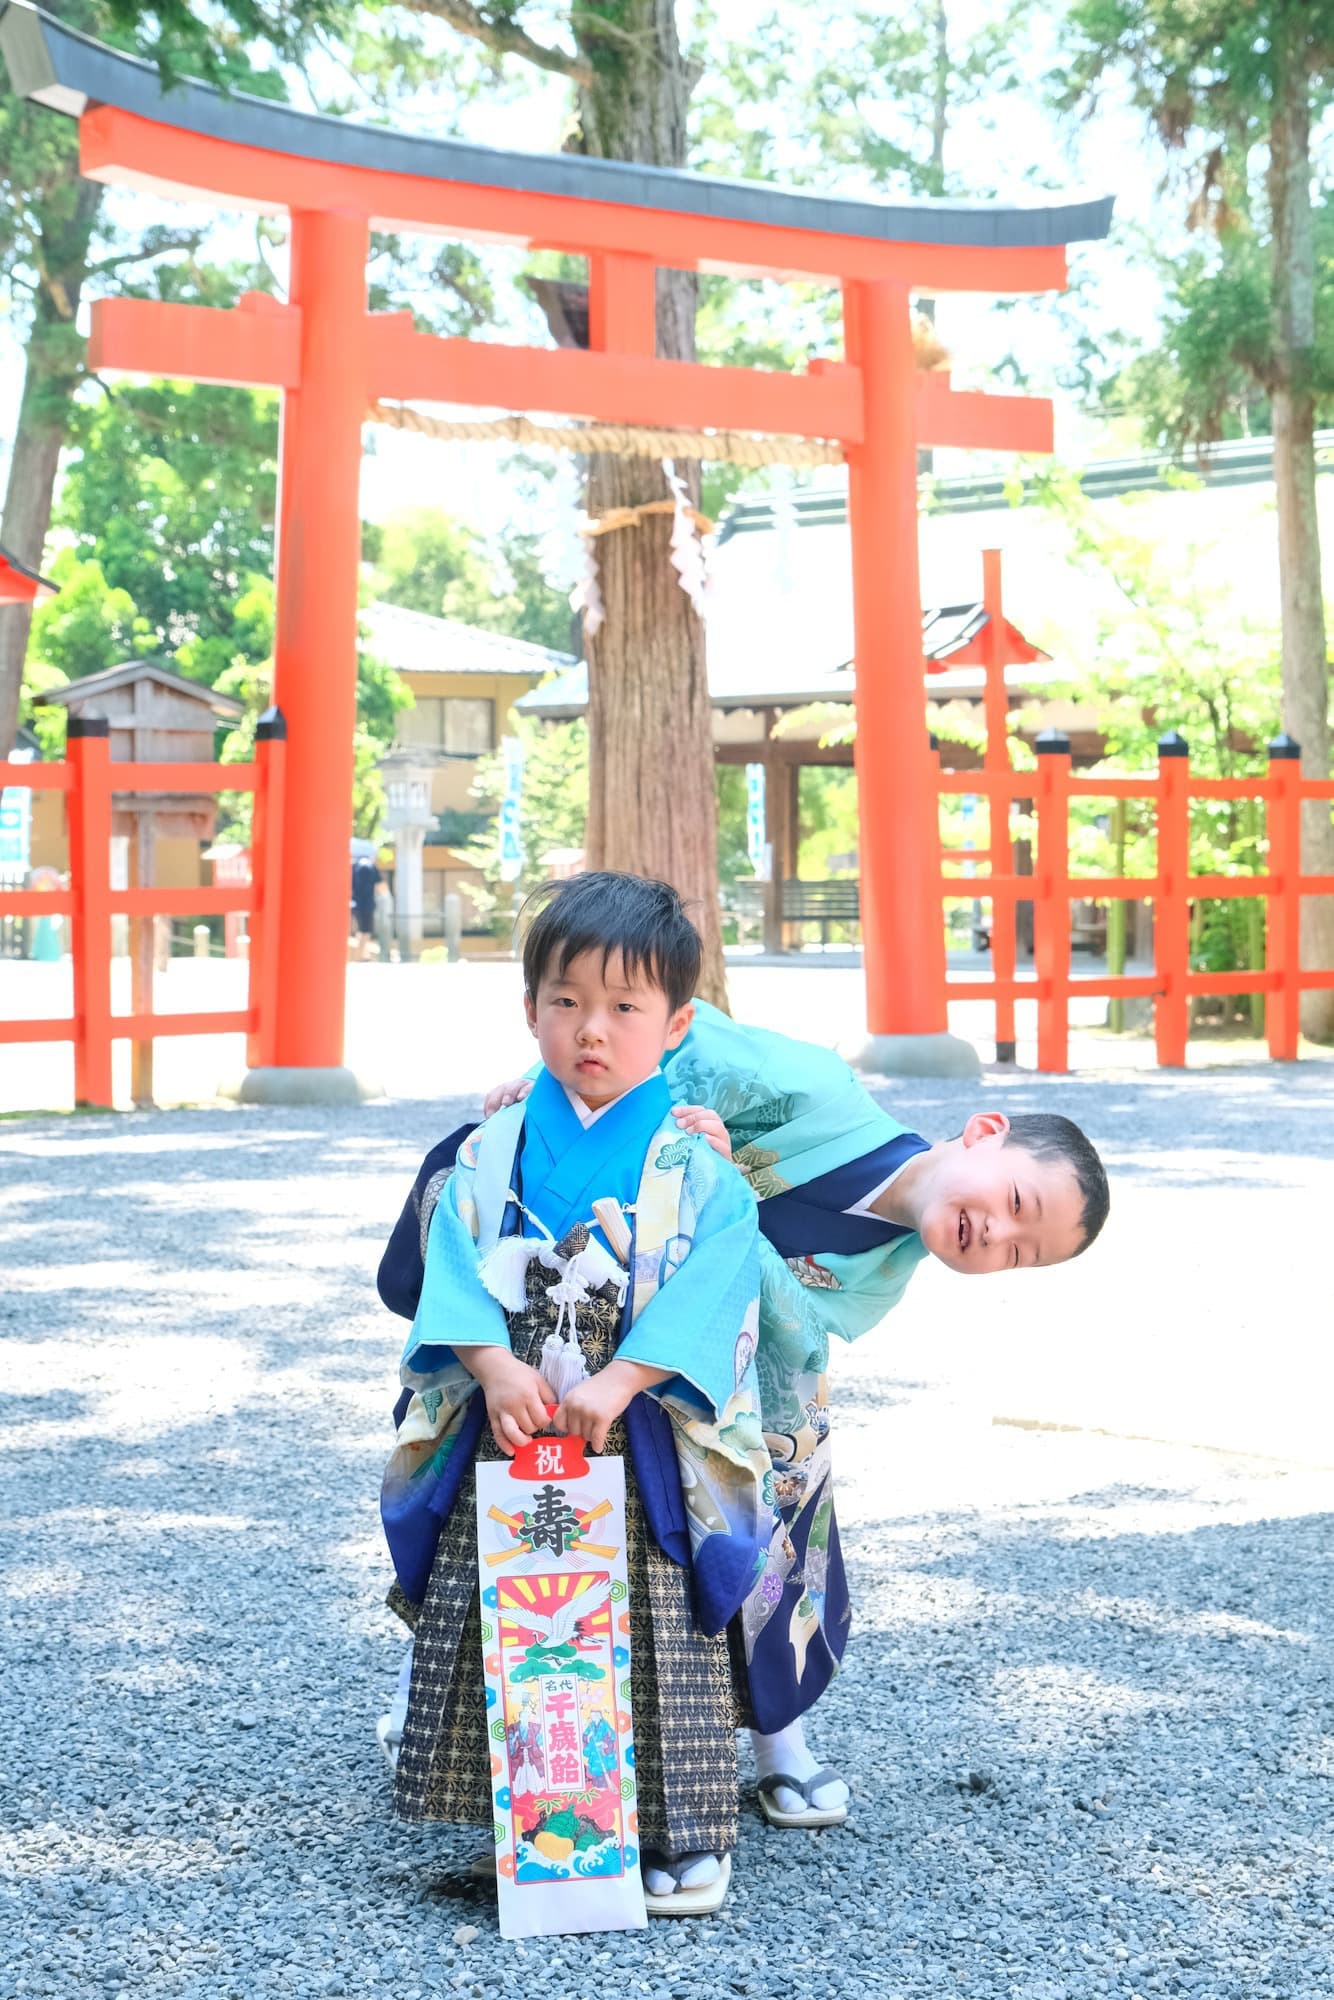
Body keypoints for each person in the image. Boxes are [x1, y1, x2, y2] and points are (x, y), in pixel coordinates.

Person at [379, 993, 1110, 1834]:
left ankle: (776, 1732)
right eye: (1015, 1203)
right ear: (985, 1131)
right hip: (563, 1268)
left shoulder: (881, 1277)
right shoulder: (811, 1088)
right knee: (472, 1467)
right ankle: (422, 1696)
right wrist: (553, 1092)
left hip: (676, 1364)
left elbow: (783, 1345)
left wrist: (722, 1211)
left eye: (1020, 1252)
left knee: (787, 1475)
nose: (994, 1235)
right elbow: (653, 1036)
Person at [379, 873, 772, 1918]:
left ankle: (682, 1832)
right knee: (519, 1602)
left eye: (624, 1006)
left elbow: (720, 1271)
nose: (590, 1030)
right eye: (565, 1001)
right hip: (512, 1416)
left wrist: (624, 1375)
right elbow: (448, 1253)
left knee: (650, 1607)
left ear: (675, 1023)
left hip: (634, 1418)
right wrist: (491, 1365)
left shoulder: (693, 1159)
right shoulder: (490, 1145)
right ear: (529, 1009)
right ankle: (523, 1821)